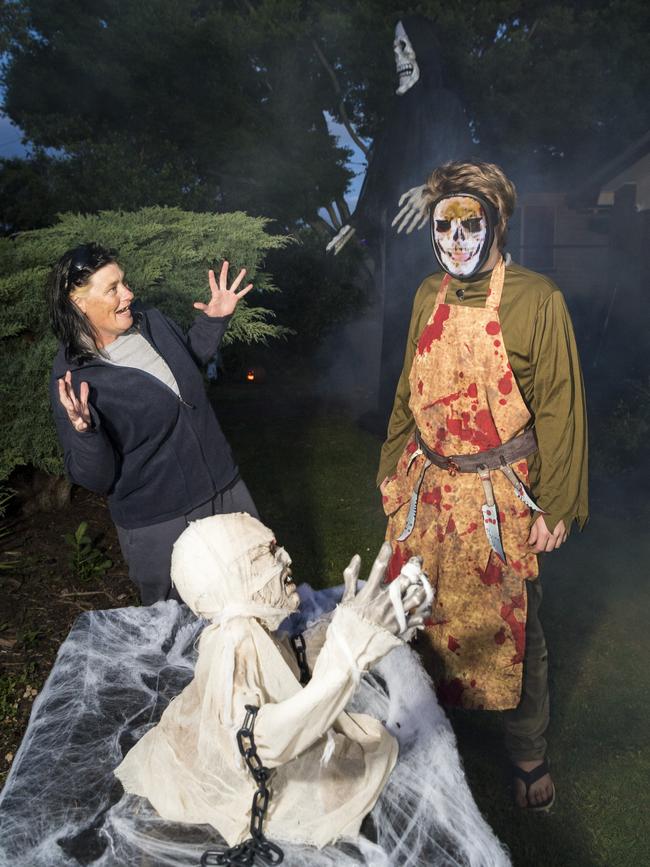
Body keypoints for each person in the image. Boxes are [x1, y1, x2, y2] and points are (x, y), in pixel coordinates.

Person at [378, 161, 588, 811]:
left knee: (513, 628)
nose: (458, 236)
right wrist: (390, 464)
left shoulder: (537, 298)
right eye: (446, 224)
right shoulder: (425, 294)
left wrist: (557, 501)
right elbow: (409, 389)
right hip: (428, 489)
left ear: (496, 223)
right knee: (410, 615)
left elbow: (560, 405)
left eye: (473, 222)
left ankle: (526, 751)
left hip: (498, 498)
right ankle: (411, 737)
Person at [114, 513, 431, 855]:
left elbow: (287, 662)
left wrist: (340, 627)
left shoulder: (247, 629)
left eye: (276, 550)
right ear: (235, 579)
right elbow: (257, 740)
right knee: (341, 784)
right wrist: (349, 653)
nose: (286, 560)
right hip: (231, 778)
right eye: (265, 556)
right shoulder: (235, 641)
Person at [47, 243, 258, 604]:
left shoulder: (151, 322)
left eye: (123, 283)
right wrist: (86, 433)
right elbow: (96, 477)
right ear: (77, 302)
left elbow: (182, 372)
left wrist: (214, 321)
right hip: (161, 524)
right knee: (180, 632)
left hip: (224, 489)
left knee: (256, 593)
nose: (128, 294)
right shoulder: (75, 376)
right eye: (112, 289)